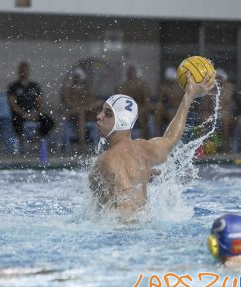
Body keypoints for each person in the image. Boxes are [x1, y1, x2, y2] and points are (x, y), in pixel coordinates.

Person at [88, 73, 215, 215]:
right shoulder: (144, 149)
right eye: (102, 111)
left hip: (124, 232)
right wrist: (188, 96)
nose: (99, 116)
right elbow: (171, 138)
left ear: (121, 121)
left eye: (108, 113)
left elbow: (127, 205)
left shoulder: (109, 159)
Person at [7, 62, 54, 143]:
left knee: (49, 121)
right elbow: (13, 104)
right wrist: (24, 114)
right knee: (15, 120)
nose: (23, 72)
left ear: (28, 71)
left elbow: (40, 102)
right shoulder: (13, 86)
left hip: (34, 112)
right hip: (20, 113)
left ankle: (37, 137)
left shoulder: (34, 86)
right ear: (19, 71)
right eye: (22, 70)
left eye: (25, 70)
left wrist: (38, 113)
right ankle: (21, 140)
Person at [60, 67, 99, 149]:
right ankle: (82, 141)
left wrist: (84, 106)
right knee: (81, 113)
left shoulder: (87, 89)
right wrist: (80, 104)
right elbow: (68, 104)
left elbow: (93, 102)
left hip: (86, 112)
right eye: (76, 77)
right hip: (73, 113)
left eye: (79, 77)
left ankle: (103, 141)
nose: (77, 79)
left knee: (98, 107)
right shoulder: (68, 89)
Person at [115, 65, 152, 139]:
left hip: (141, 110)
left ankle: (145, 139)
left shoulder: (143, 86)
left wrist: (139, 111)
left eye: (133, 74)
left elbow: (147, 104)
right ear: (127, 76)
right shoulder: (122, 87)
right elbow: (118, 102)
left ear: (136, 75)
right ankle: (120, 141)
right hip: (126, 111)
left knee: (142, 117)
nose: (131, 76)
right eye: (130, 74)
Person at [154, 67, 185, 137]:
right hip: (168, 109)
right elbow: (160, 101)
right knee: (158, 108)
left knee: (173, 114)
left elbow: (184, 103)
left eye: (172, 82)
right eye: (169, 82)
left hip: (178, 110)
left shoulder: (181, 87)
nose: (170, 84)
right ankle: (158, 135)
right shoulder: (163, 87)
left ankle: (173, 136)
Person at [215, 69, 236, 153]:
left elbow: (233, 102)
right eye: (217, 78)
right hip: (213, 114)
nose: (219, 80)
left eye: (220, 78)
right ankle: (207, 148)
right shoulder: (211, 88)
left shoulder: (229, 87)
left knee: (226, 124)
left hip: (226, 113)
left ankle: (226, 148)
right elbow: (205, 105)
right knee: (203, 119)